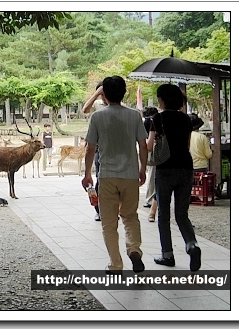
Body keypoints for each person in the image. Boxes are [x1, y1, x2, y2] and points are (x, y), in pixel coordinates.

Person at [82, 76, 148, 274]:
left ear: (104, 94)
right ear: (124, 93)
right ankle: (134, 250)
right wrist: (142, 168)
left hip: (107, 175)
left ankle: (116, 264)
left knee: (108, 223)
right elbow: (143, 145)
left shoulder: (98, 117)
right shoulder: (134, 115)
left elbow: (90, 148)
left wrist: (87, 174)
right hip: (130, 174)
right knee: (130, 217)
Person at [147, 84, 201, 272]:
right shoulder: (186, 118)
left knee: (164, 214)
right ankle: (192, 245)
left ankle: (167, 254)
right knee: (181, 214)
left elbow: (149, 145)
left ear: (162, 99)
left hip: (165, 169)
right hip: (186, 167)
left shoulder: (158, 117)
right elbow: (186, 143)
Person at [82, 82, 108, 221]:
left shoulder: (119, 106)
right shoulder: (98, 104)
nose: (103, 97)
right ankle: (98, 209)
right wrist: (97, 93)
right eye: (101, 94)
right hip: (98, 148)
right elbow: (85, 109)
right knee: (100, 179)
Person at [142, 106, 159, 222]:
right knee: (154, 176)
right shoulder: (154, 121)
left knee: (152, 175)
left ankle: (149, 199)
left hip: (151, 151)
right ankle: (150, 200)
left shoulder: (147, 122)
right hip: (156, 151)